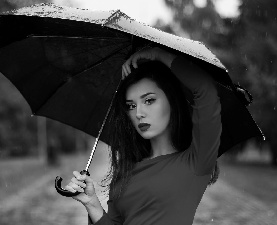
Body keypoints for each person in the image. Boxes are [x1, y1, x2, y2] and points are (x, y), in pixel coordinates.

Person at [64, 47, 222, 225]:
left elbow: (205, 89)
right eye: (131, 105)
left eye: (149, 100)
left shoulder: (196, 161)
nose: (138, 113)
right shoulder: (126, 169)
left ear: (171, 101)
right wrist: (91, 203)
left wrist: (158, 55)